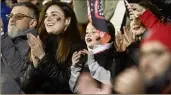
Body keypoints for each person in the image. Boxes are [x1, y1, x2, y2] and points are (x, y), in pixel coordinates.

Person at [20, 1, 85, 94]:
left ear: (67, 21)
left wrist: (43, 56)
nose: (48, 19)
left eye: (54, 15)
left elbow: (67, 85)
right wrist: (34, 65)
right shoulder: (41, 43)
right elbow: (25, 87)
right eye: (46, 16)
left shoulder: (78, 47)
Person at [69, 20, 133, 93]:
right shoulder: (86, 56)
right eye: (87, 32)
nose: (88, 35)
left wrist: (91, 62)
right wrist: (75, 67)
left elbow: (112, 80)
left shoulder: (115, 54)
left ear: (107, 36)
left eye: (94, 32)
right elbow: (76, 90)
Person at [1, 2, 39, 94]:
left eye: (18, 16)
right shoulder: (6, 40)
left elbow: (22, 76)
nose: (12, 20)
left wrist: (1, 35)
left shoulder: (35, 45)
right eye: (10, 16)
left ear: (32, 23)